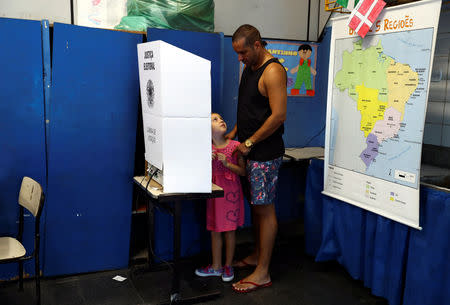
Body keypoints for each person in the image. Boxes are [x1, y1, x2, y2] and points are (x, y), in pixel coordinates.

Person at [227, 24, 287, 293]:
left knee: (265, 210)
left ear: (257, 45)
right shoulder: (248, 68)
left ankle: (262, 272)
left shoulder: (273, 71)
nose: (240, 58)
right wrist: (233, 135)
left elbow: (278, 116)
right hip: (248, 150)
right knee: (255, 206)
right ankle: (255, 256)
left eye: (243, 52)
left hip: (264, 154)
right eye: (237, 53)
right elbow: (249, 109)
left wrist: (249, 142)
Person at [195, 113, 246, 282]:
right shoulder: (204, 149)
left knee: (230, 230)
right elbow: (197, 173)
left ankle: (228, 265)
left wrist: (227, 164)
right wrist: (204, 161)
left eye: (222, 118)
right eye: (215, 119)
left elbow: (243, 172)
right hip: (213, 194)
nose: (221, 120)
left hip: (231, 194)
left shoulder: (235, 146)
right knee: (215, 229)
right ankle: (216, 267)